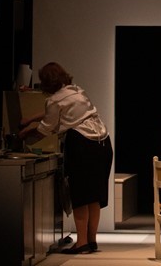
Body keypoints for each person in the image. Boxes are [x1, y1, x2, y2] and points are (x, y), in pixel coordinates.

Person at [18, 62, 113, 254]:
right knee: (94, 196)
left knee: (80, 195)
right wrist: (31, 119)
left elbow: (45, 129)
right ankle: (91, 241)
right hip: (103, 142)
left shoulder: (53, 101)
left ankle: (82, 243)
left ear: (46, 82)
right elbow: (54, 112)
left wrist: (25, 134)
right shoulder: (77, 91)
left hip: (82, 144)